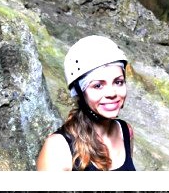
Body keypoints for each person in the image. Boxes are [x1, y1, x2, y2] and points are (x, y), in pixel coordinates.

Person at [36, 35, 135, 171]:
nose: (112, 93)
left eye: (118, 82)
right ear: (79, 93)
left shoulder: (125, 131)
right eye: (98, 86)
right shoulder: (57, 148)